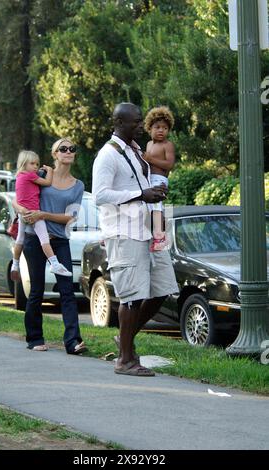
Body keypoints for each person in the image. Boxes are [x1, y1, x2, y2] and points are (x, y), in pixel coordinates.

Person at [92, 102, 178, 376]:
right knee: (130, 297)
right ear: (119, 122)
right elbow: (100, 195)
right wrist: (141, 195)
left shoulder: (135, 150)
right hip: (124, 232)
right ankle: (125, 360)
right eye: (137, 122)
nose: (142, 126)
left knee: (162, 289)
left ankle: (125, 340)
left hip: (148, 230)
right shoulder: (107, 155)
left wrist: (152, 192)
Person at [13, 139, 87, 354]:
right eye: (63, 148)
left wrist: (44, 215)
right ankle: (34, 338)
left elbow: (70, 218)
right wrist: (19, 208)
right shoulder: (42, 176)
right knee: (36, 290)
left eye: (72, 148)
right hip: (34, 239)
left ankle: (72, 342)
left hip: (60, 241)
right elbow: (19, 197)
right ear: (54, 154)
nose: (68, 151)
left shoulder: (78, 185)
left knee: (67, 291)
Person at [10, 150, 72, 281]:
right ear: (23, 164)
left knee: (20, 239)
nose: (36, 167)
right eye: (32, 163)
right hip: (33, 214)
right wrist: (49, 170)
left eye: (37, 164)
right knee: (45, 240)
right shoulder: (29, 176)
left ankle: (15, 265)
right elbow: (47, 183)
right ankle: (54, 263)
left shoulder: (20, 177)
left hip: (23, 214)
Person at [143, 106, 175, 252]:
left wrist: (150, 159)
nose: (161, 130)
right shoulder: (149, 144)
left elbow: (169, 164)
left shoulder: (167, 145)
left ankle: (160, 236)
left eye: (165, 128)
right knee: (148, 207)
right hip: (148, 179)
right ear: (149, 128)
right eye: (157, 127)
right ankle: (153, 234)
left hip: (159, 179)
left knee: (157, 207)